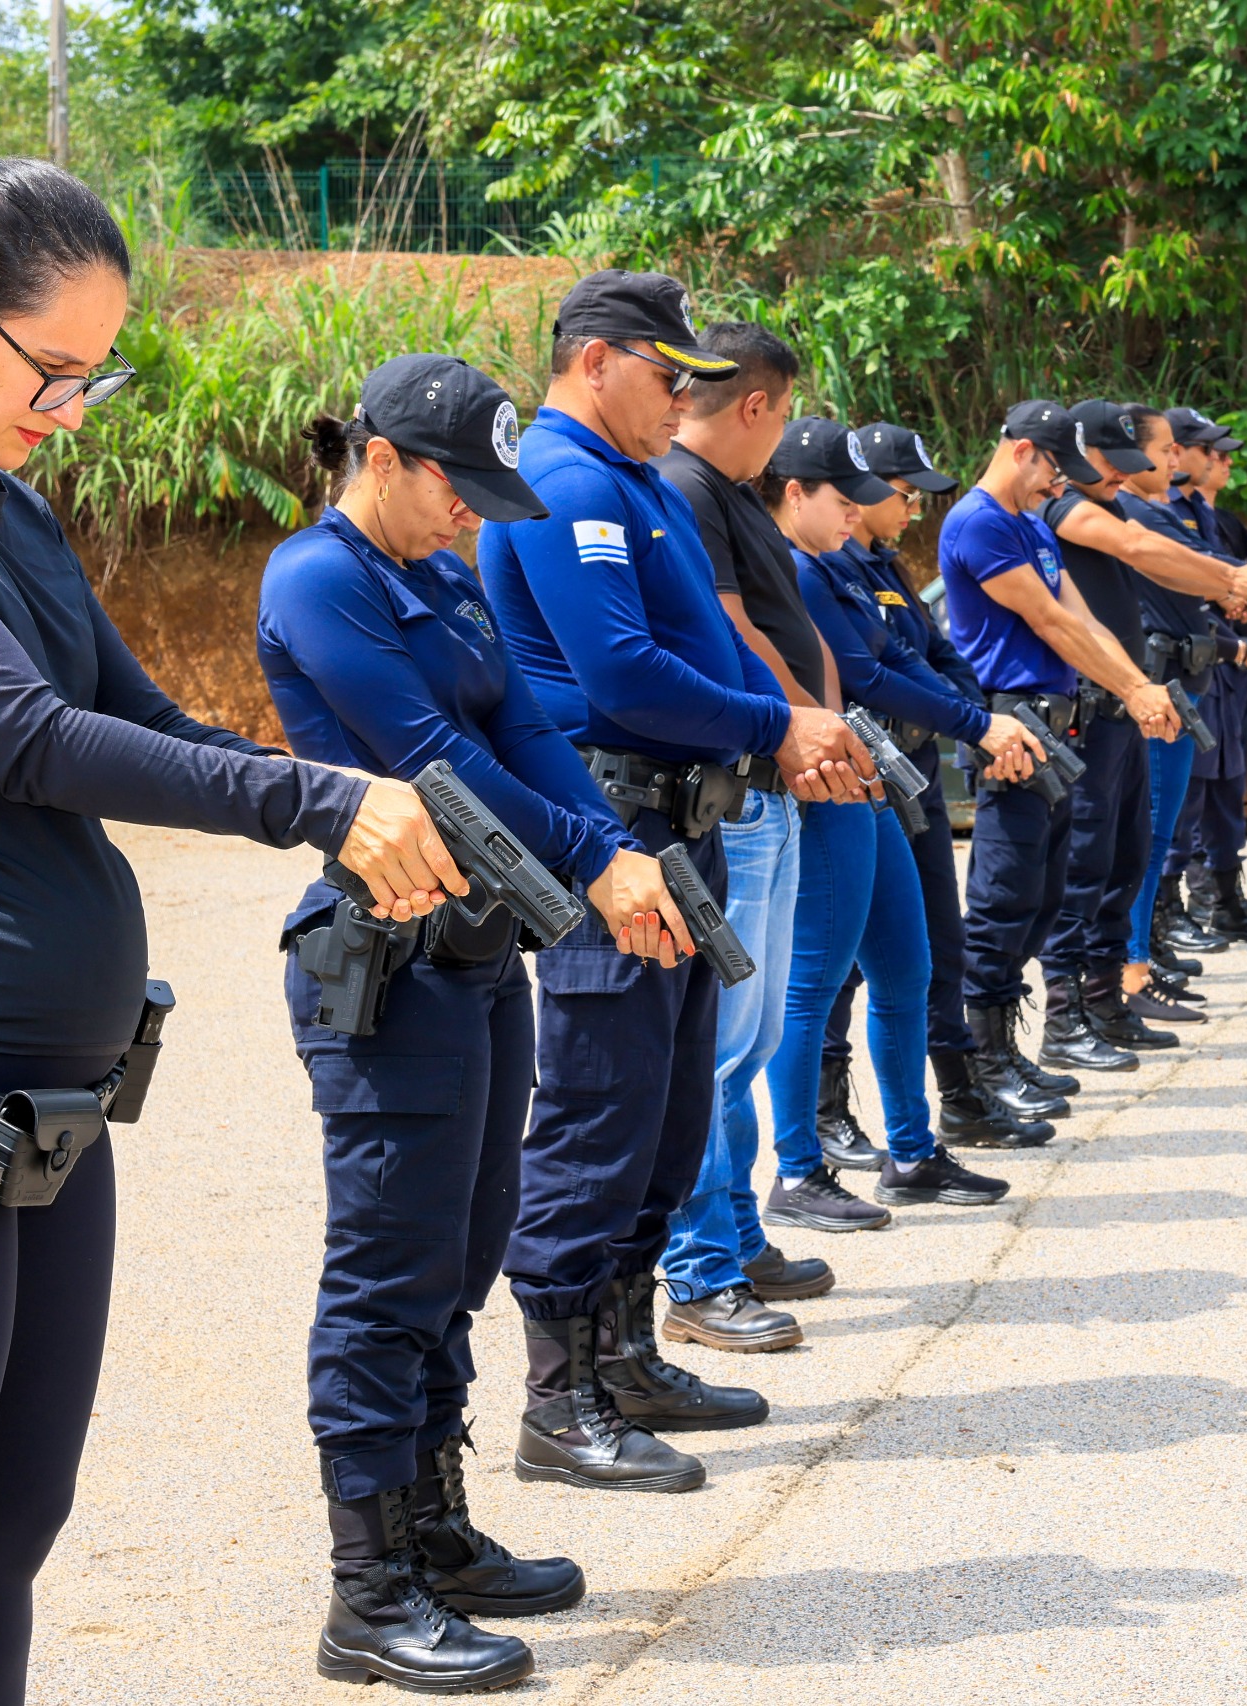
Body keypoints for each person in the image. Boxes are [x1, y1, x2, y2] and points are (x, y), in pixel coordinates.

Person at [0, 158, 468, 1705]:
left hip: (40, 1116)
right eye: (52, 370)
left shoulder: (13, 509)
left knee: (1, 1545)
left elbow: (145, 719)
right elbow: (26, 739)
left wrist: (342, 800)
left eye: (92, 377)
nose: (68, 409)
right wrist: (319, 801)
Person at [259, 355, 707, 1689]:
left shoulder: (445, 579)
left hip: (473, 954)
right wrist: (594, 863)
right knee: (387, 1273)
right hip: (384, 967)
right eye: (455, 487)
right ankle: (368, 1588)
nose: (471, 515)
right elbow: (433, 761)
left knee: (458, 1258)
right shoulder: (319, 578)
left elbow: (526, 732)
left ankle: (436, 1531)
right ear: (381, 457)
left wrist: (615, 848)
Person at [478, 269, 874, 1494]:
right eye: (667, 376)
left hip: (680, 827)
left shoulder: (637, 476)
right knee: (599, 1111)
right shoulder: (565, 477)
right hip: (614, 835)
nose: (681, 401)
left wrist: (771, 729)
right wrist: (776, 725)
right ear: (596, 360)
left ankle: (625, 1355)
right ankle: (558, 1399)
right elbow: (618, 673)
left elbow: (699, 650)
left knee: (664, 1115)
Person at [649, 324, 869, 1356]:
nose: (781, 438)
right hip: (738, 784)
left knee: (752, 1040)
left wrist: (818, 725)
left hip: (769, 781)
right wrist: (797, 726)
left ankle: (734, 1232)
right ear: (756, 405)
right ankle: (698, 1268)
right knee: (720, 1044)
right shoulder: (687, 487)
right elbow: (731, 631)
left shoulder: (729, 492)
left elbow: (784, 626)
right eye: (782, 416)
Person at [778, 417, 1053, 1211]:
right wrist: (975, 723)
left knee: (909, 968)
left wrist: (974, 716)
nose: (855, 512)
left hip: (880, 786)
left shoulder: (843, 568)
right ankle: (798, 1168)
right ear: (794, 495)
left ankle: (912, 1151)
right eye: (843, 499)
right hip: (828, 788)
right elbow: (863, 673)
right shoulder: (795, 572)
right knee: (813, 986)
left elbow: (906, 654)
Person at [938, 402, 1178, 1116]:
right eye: (1052, 469)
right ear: (1021, 452)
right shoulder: (979, 523)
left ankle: (1009, 1050)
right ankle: (983, 1061)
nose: (1059, 485)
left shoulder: (1033, 525)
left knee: (1043, 896)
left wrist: (1136, 685)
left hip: (1057, 730)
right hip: (1013, 729)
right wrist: (1134, 688)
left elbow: (1083, 620)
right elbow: (1047, 621)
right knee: (1003, 898)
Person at [1033, 401, 1247, 1072]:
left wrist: (1225, 583)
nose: (1129, 474)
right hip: (1090, 713)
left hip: (1124, 710)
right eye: (1117, 463)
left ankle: (1108, 998)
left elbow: (1165, 564)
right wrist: (1231, 578)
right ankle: (1065, 1016)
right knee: (1084, 866)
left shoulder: (1111, 507)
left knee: (1126, 857)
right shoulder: (1066, 509)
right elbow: (1140, 550)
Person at [1109, 411, 1247, 1024]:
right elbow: (1213, 581)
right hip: (1161, 686)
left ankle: (1139, 961)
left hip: (1186, 682)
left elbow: (1216, 582)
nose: (1174, 461)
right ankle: (1130, 969)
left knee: (1155, 836)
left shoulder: (1161, 511)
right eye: (1166, 450)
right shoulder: (1135, 514)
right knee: (1148, 838)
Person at [1159, 409, 1247, 951]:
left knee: (1223, 787)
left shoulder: (1206, 513)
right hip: (1202, 662)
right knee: (1186, 795)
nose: (1224, 462)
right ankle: (1177, 907)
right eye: (1211, 452)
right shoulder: (1163, 512)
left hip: (1227, 664)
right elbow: (1218, 588)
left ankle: (1222, 897)